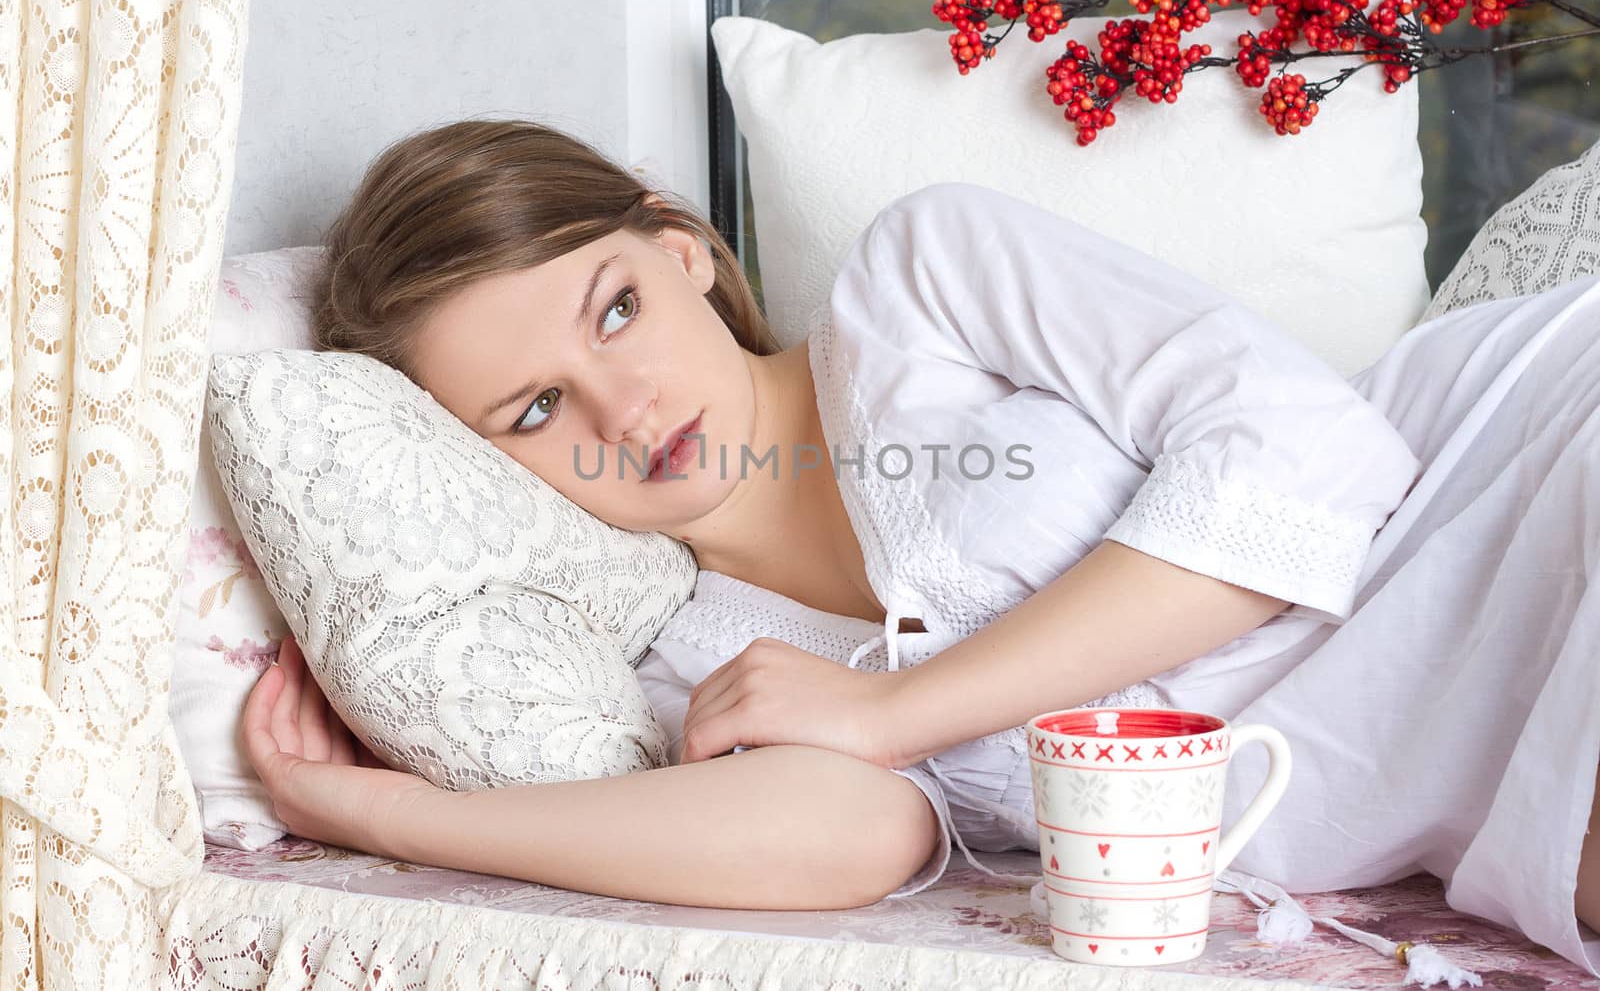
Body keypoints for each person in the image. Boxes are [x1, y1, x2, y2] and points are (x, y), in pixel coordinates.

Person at [243, 118, 1600, 973]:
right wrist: (385, 814)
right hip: (1406, 779)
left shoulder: (921, 283)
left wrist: (895, 708)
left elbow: (1314, 454)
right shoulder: (681, 657)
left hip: (1505, 484)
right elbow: (852, 839)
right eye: (533, 411)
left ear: (680, 248)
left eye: (612, 312)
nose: (624, 406)